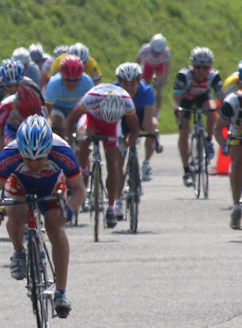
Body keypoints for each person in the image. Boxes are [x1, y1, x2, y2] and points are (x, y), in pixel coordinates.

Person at [0, 115, 84, 318]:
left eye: (39, 158)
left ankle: (61, 293)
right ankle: (19, 250)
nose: (34, 164)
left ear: (49, 150)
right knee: (15, 212)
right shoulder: (10, 154)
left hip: (51, 185)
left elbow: (79, 190)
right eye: (28, 159)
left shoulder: (62, 151)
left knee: (55, 226)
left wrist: (70, 209)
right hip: (20, 184)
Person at [65, 84, 139, 227]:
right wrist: (71, 142)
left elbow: (135, 130)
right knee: (84, 138)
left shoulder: (127, 101)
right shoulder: (92, 98)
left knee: (113, 163)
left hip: (111, 127)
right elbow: (70, 120)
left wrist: (125, 145)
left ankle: (110, 207)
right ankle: (82, 171)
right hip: (91, 119)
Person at [172, 47, 223, 187]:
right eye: (198, 67)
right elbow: (176, 99)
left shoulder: (214, 76)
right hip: (185, 100)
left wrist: (223, 109)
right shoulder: (183, 75)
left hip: (203, 97)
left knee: (212, 110)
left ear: (210, 67)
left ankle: (208, 140)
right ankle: (186, 169)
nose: (201, 71)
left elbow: (221, 97)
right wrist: (178, 111)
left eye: (205, 67)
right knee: (184, 131)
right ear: (192, 66)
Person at [214, 78, 242, 229]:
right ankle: (236, 207)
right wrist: (224, 145)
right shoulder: (233, 102)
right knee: (238, 161)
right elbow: (218, 129)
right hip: (239, 130)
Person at [114, 62, 162, 181]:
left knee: (152, 124)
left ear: (138, 82)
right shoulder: (113, 91)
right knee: (118, 159)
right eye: (125, 84)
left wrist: (151, 135)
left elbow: (148, 119)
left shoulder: (147, 91)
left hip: (140, 116)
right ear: (119, 82)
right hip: (122, 117)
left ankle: (146, 163)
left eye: (132, 84)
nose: (129, 88)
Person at [44, 55, 94, 136]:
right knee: (57, 124)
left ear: (81, 77)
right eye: (67, 79)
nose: (71, 83)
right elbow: (47, 108)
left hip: (77, 108)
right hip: (58, 108)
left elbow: (92, 106)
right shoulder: (54, 83)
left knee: (84, 131)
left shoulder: (87, 82)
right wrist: (48, 122)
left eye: (75, 80)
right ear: (61, 75)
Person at [0, 85, 45, 156]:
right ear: (15, 108)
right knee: (11, 149)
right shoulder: (5, 107)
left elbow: (46, 136)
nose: (24, 121)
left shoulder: (40, 110)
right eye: (22, 117)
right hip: (12, 130)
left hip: (33, 130)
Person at [136, 33, 171, 114]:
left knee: (159, 88)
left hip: (159, 66)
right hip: (148, 65)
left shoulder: (166, 53)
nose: (156, 55)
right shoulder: (145, 49)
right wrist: (136, 75)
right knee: (144, 84)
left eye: (159, 53)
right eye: (154, 52)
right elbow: (137, 62)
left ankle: (157, 111)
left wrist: (164, 79)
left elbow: (167, 67)